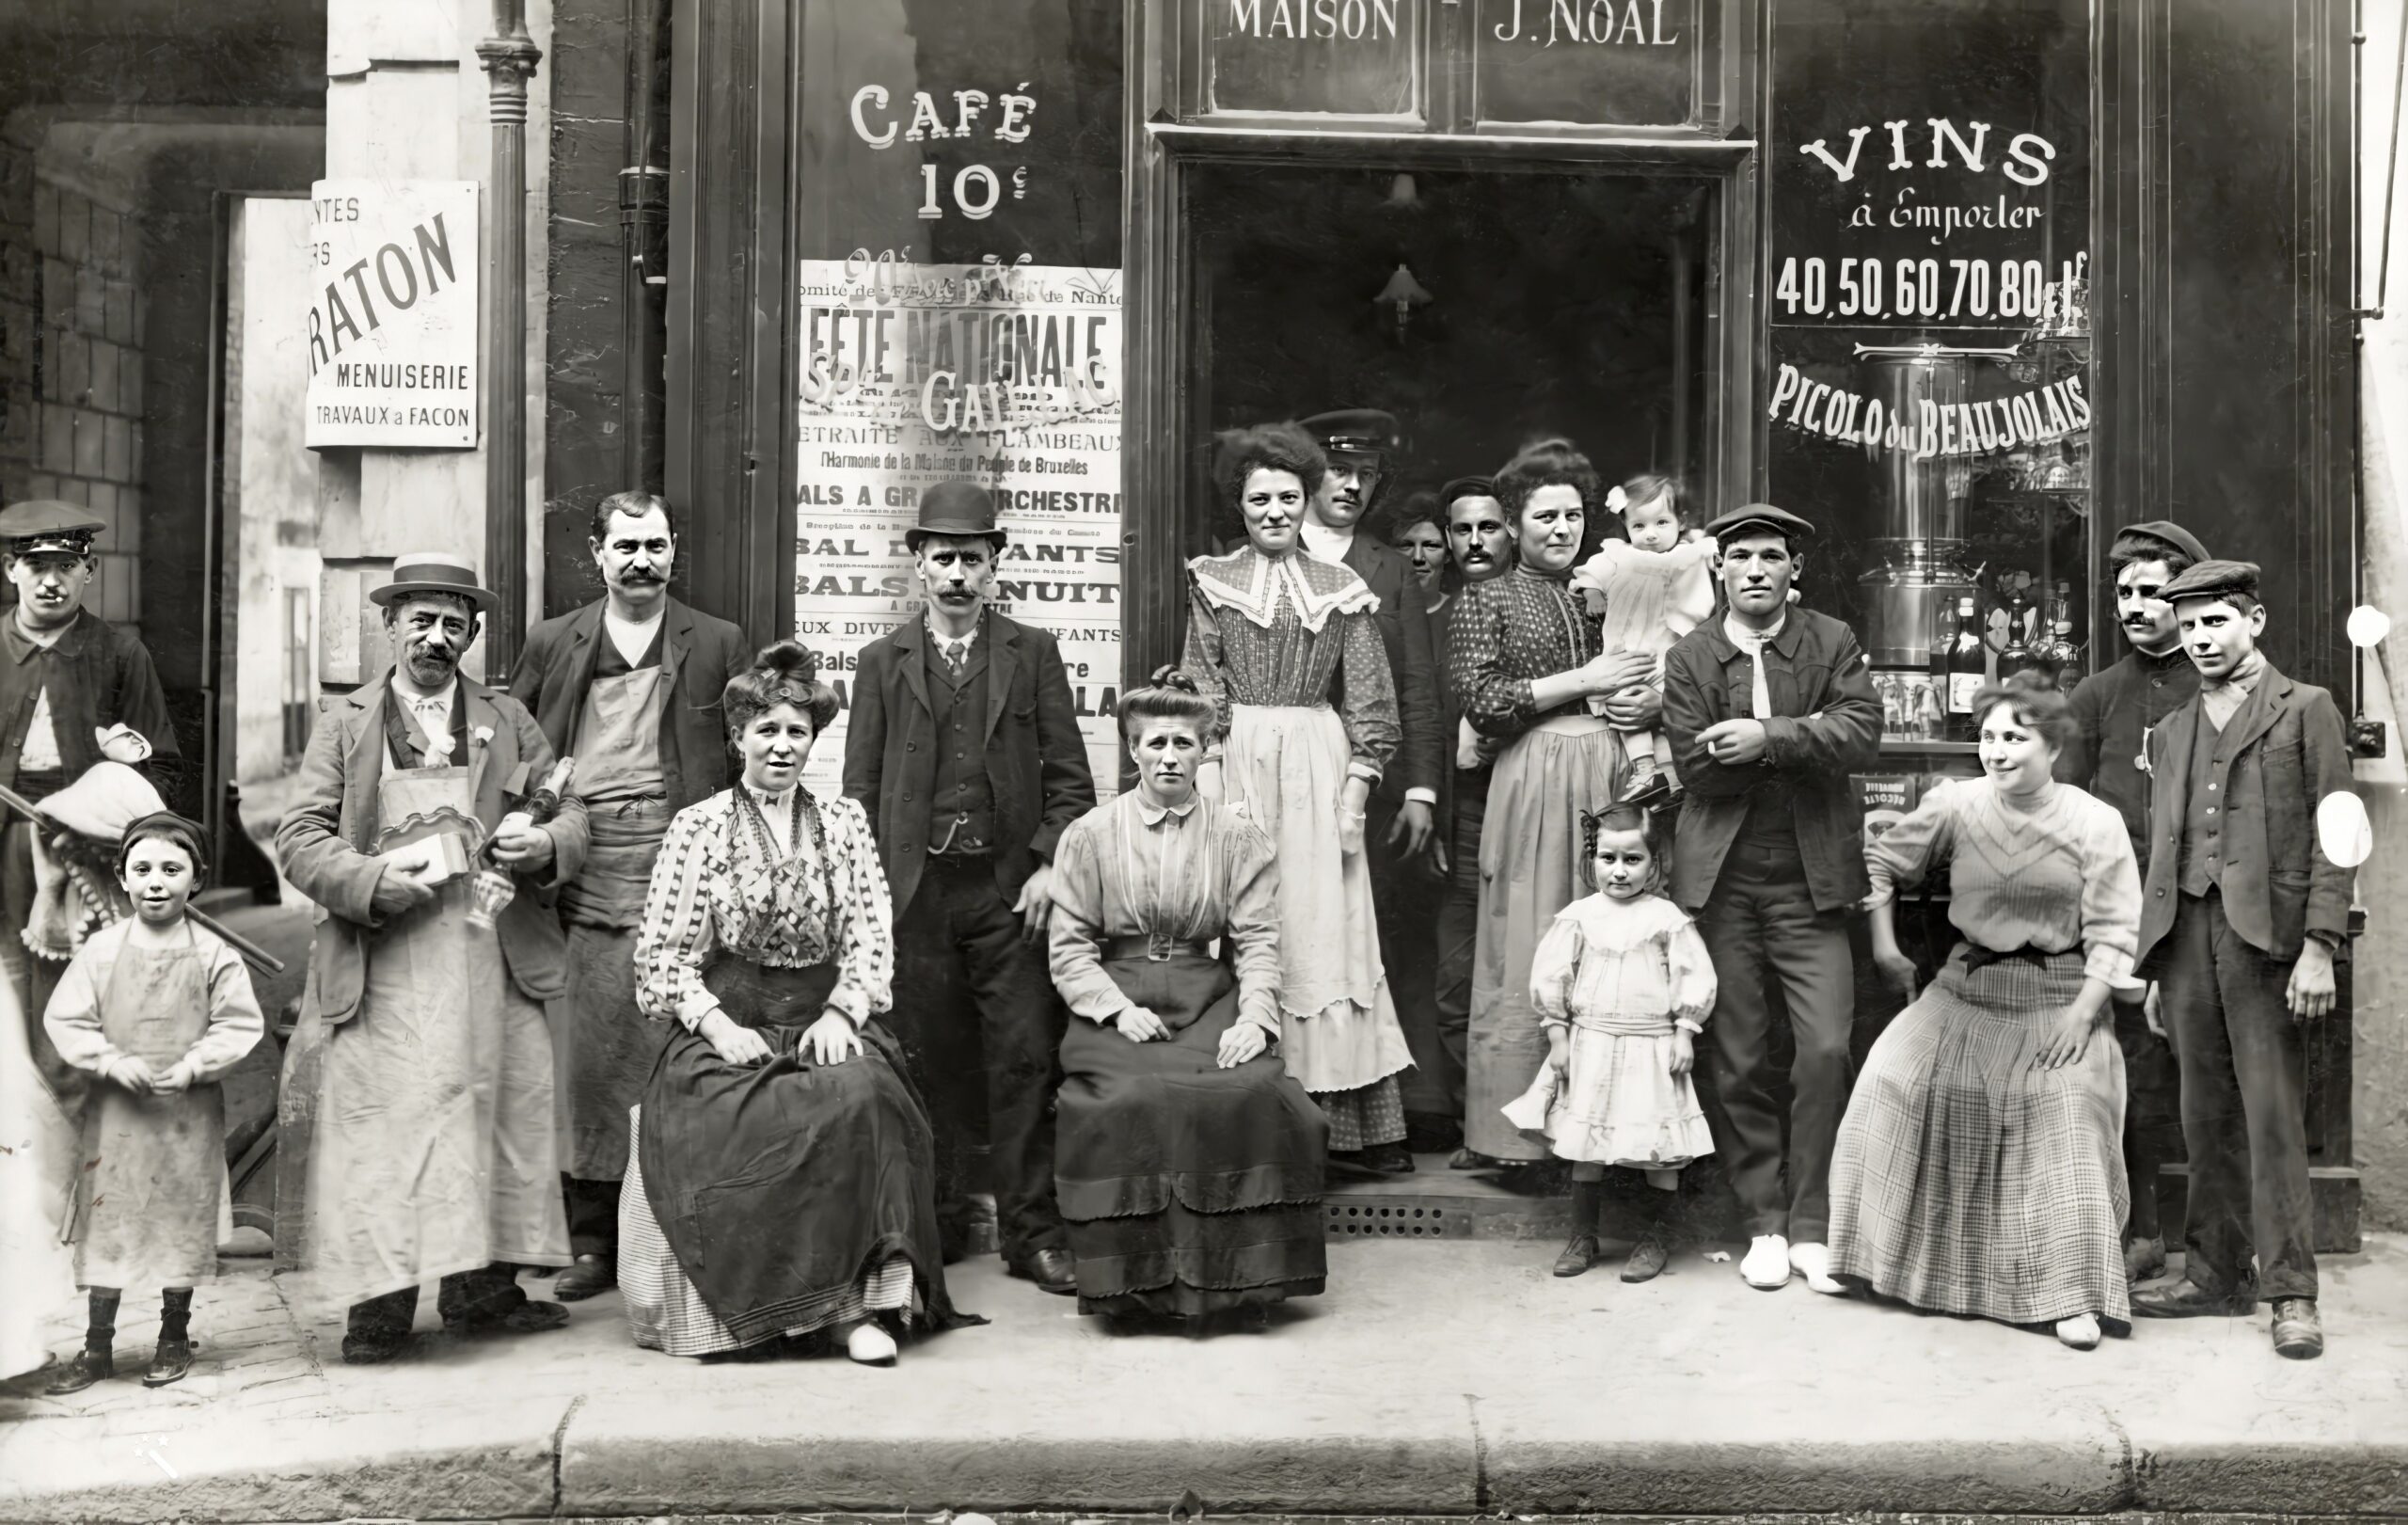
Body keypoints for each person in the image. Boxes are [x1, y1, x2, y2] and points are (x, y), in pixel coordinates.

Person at [624, 643, 974, 1365]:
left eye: (797, 733)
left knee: (864, 1095)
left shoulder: (843, 822)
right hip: (732, 1014)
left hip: (820, 1012)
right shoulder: (700, 825)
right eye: (767, 731)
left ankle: (858, 1312)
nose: (782, 746)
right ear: (738, 738)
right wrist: (718, 1027)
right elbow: (662, 954)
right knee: (715, 1112)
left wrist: (844, 1014)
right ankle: (743, 1317)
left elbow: (870, 935)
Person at [277, 552, 586, 1364]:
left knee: (489, 1116)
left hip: (489, 947)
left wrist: (543, 839)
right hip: (384, 959)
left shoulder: (507, 718)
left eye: (454, 623)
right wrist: (372, 880)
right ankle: (379, 1309)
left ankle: (482, 1293)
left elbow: (571, 805)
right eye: (421, 619)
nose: (436, 637)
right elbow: (298, 837)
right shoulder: (346, 723)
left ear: (474, 634)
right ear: (390, 624)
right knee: (385, 1131)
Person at [1832, 675, 2141, 1350]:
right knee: (1890, 1076)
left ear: (2054, 746)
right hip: (1964, 989)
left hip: (2059, 995)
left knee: (2064, 1103)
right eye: (1989, 737)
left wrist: (2084, 1014)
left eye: (2014, 738)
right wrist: (1886, 949)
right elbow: (1883, 860)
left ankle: (2070, 1291)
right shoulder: (1959, 802)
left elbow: (2117, 929)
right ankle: (1866, 1258)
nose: (1996, 752)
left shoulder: (2095, 820)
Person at [844, 481, 1095, 1295]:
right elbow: (859, 788)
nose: (958, 574)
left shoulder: (1032, 652)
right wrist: (869, 895)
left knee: (1024, 1059)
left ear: (996, 566)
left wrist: (1050, 863)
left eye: (973, 559)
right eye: (943, 558)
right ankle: (938, 1221)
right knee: (928, 1062)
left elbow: (1070, 780)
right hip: (913, 895)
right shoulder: (882, 662)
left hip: (1006, 893)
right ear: (918, 564)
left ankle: (1032, 1233)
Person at [509, 491, 752, 1303]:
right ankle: (590, 1238)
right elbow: (519, 744)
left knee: (669, 1037)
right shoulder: (555, 639)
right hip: (582, 855)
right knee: (592, 1048)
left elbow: (740, 756)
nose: (641, 560)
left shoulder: (716, 641)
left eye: (655, 545)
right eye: (626, 546)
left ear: (674, 550)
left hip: (681, 852)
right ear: (597, 554)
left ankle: (675, 1224)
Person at [1046, 675, 1328, 1323]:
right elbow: (1069, 948)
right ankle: (1140, 1290)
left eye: (1183, 742)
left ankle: (1235, 1285)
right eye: (1154, 743)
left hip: (1207, 997)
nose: (1169, 755)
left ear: (1205, 751)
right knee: (1132, 1097)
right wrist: (1117, 1008)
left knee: (1253, 1091)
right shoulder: (1090, 834)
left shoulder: (1237, 837)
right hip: (1117, 997)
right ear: (1132, 750)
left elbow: (1257, 941)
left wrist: (1256, 1019)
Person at [2130, 560, 2353, 1360]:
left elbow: (2338, 835)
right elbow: (2167, 849)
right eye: (2187, 625)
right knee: (2202, 1115)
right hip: (2188, 940)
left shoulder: (2308, 710)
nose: (2199, 638)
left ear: (2253, 620)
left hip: (2269, 944)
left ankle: (2291, 1289)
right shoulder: (2172, 729)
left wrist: (2321, 946)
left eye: (2215, 621)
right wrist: (2156, 965)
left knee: (2270, 1115)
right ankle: (2215, 1272)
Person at [1661, 503, 1880, 1294]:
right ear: (1718, 570)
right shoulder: (1691, 653)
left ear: (1796, 570)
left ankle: (1815, 1225)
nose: (1756, 569)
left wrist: (1767, 734)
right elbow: (1697, 766)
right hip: (1724, 885)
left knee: (1824, 1049)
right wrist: (1800, 736)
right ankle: (1764, 1221)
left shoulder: (1831, 641)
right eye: (1741, 557)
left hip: (1812, 881)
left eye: (1771, 557)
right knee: (1742, 1054)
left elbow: (1861, 733)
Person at [1184, 422, 1414, 1170]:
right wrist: (1214, 784)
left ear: (1305, 498)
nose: (1276, 511)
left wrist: (1354, 796)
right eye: (1260, 499)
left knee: (1324, 924)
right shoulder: (1214, 579)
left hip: (1318, 761)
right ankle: (1251, 1109)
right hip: (1241, 756)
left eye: (1288, 496)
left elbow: (1372, 696)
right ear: (1241, 505)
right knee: (1250, 917)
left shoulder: (1339, 586)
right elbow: (1201, 683)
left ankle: (1338, 1121)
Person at [1449, 439, 1656, 1167]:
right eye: (1545, 515)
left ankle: (1596, 1135)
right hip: (1532, 773)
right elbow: (1484, 698)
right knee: (1529, 941)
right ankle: (1515, 1138)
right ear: (1513, 521)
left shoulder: (1600, 593)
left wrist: (1639, 698)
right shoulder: (1486, 596)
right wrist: (1584, 679)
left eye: (1572, 514)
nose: (1562, 529)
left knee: (1602, 937)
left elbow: (1648, 662)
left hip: (1604, 769)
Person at [40, 813, 262, 1391]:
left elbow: (239, 1024)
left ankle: (172, 1336)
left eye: (172, 869)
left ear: (197, 878)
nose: (156, 882)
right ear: (121, 877)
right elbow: (66, 1017)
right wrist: (112, 1061)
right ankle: (96, 1348)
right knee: (109, 1221)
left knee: (179, 1223)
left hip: (186, 1115)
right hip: (119, 1116)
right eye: (142, 869)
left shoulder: (216, 954)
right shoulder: (102, 952)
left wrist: (194, 1065)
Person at [2055, 519, 2208, 1283]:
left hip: (2203, 905)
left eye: (2153, 591)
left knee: (2209, 1070)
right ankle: (2142, 1228)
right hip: (2122, 912)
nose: (2137, 606)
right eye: (2125, 593)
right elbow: (2067, 808)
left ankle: (2217, 1241)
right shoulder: (2098, 694)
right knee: (2137, 1075)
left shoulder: (2218, 687)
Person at [1298, 410, 1444, 1163]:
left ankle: (1372, 1125)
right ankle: (1296, 1126)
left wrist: (1422, 788)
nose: (1352, 485)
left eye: (1366, 473)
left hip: (1372, 790)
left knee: (1366, 951)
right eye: (1336, 470)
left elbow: (1416, 682)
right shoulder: (1260, 552)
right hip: (1285, 784)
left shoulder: (1388, 566)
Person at [0, 500, 180, 1104]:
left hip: (77, 851)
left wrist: (113, 836)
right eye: (35, 563)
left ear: (89, 570)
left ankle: (69, 1159)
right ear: (10, 569)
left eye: (66, 565)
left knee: (65, 1000)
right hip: (4, 836)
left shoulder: (121, 655)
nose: (51, 579)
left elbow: (162, 769)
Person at [1519, 802, 1716, 1283]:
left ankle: (1657, 1238)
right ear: (1593, 860)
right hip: (1593, 1044)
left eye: (1634, 860)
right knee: (1587, 1146)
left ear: (1655, 863)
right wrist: (1558, 1036)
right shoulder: (1579, 917)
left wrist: (1685, 1031)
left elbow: (1694, 976)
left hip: (1651, 1046)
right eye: (1609, 858)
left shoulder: (1667, 919)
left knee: (1658, 1146)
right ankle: (1584, 1235)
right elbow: (1552, 978)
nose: (1620, 871)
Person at [1429, 473, 1514, 1161]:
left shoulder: (1550, 605)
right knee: (1459, 975)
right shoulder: (1436, 614)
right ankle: (1472, 1127)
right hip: (1463, 812)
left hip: (1526, 803)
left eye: (1488, 526)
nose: (1475, 541)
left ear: (1509, 530)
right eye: (1463, 529)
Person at [1570, 474, 1719, 805]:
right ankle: (1645, 768)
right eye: (1639, 526)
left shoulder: (1688, 554)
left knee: (1669, 709)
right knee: (1625, 703)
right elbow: (1590, 575)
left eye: (1661, 523)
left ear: (1680, 523)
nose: (1650, 534)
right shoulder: (1619, 554)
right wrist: (1594, 594)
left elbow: (1721, 560)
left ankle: (1670, 776)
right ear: (1627, 528)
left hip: (1670, 654)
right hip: (1628, 655)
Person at [1382, 491, 1451, 613]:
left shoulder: (1464, 612)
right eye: (1405, 545)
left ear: (1447, 555)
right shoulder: (1371, 613)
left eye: (1431, 545)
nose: (1418, 557)